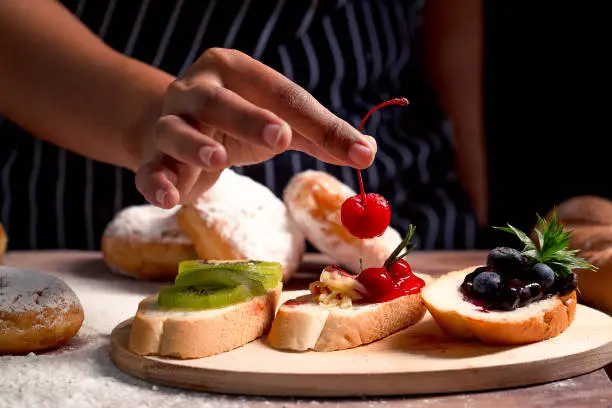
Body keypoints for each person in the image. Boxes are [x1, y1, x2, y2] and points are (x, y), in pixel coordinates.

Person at [0, 0, 486, 251]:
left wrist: (476, 201)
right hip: (99, 197)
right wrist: (148, 119)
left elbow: (453, 22)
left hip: (420, 216)